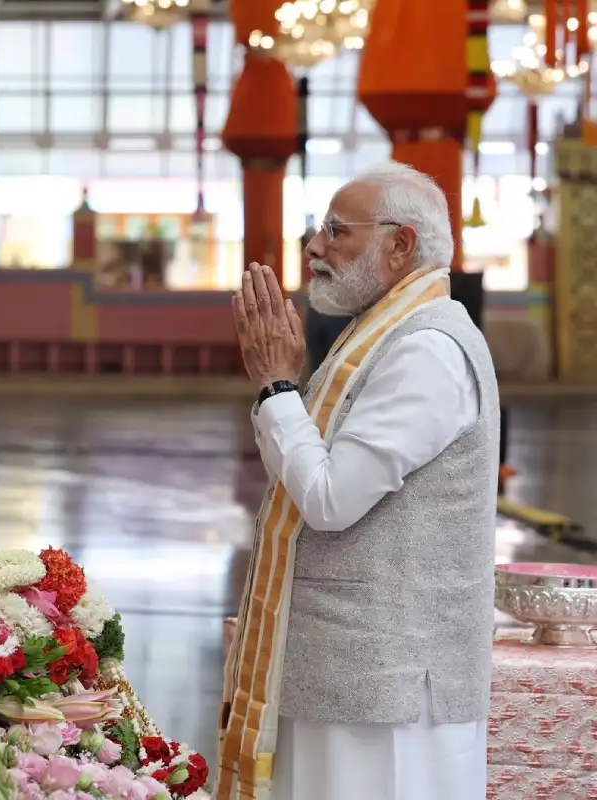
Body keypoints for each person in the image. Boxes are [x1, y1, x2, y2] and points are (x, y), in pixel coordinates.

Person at [215, 162, 498, 800]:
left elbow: (329, 498)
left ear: (401, 246)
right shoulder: (386, 335)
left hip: (385, 691)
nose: (315, 247)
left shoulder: (427, 350)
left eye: (338, 231)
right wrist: (278, 389)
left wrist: (277, 386)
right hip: (348, 676)